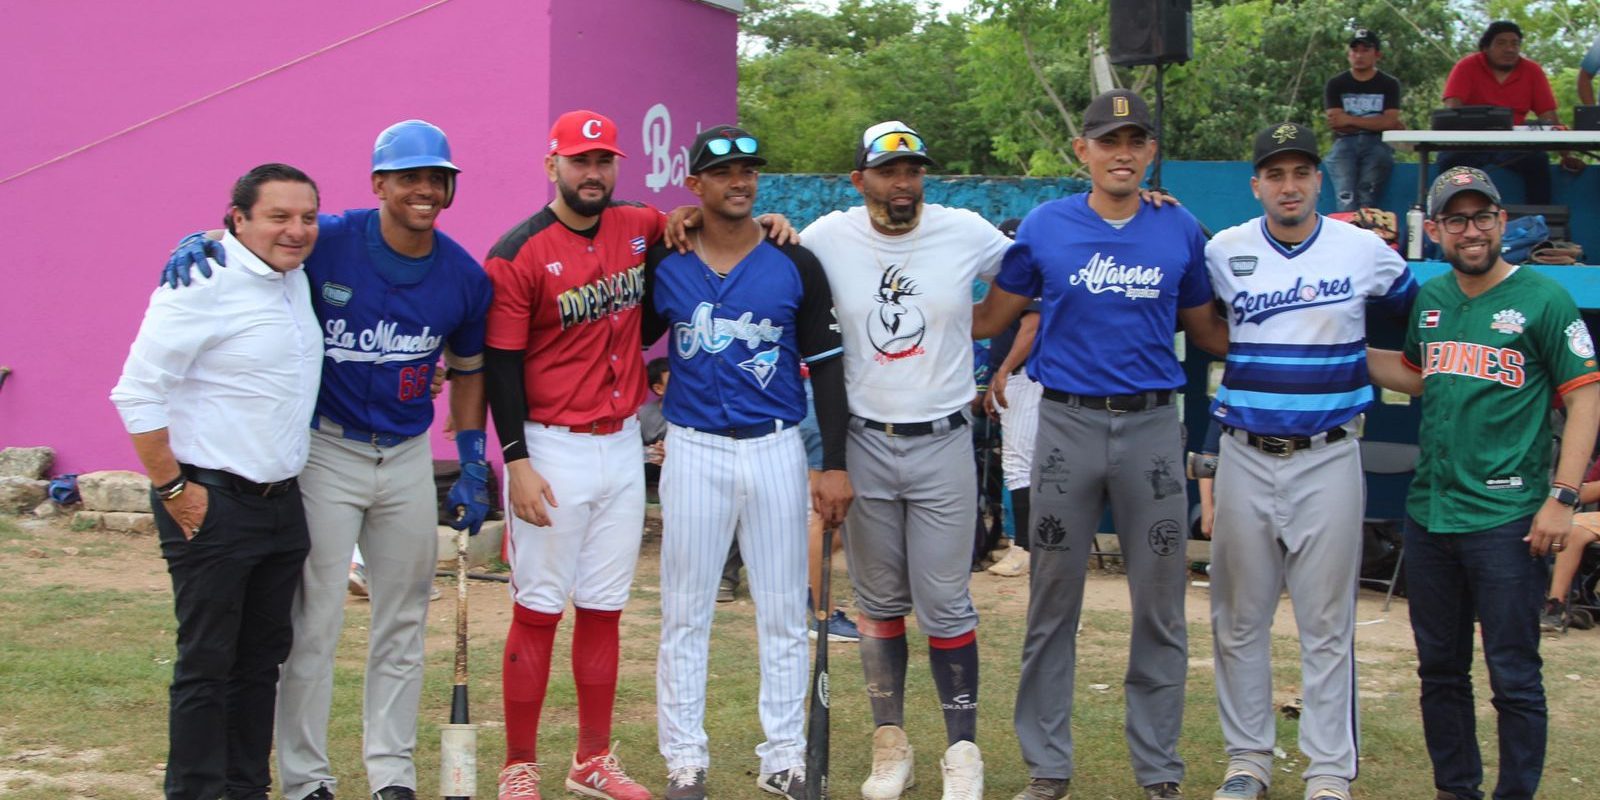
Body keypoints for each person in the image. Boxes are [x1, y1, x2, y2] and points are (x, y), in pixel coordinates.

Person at [158, 120, 494, 800]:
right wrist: (208, 241)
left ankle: (391, 774)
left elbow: (467, 369)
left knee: (403, 617)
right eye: (410, 178)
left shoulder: (462, 274)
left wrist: (471, 458)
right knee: (311, 621)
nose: (425, 189)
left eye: (438, 178)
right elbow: (265, 242)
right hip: (324, 449)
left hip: (404, 456)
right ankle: (308, 777)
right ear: (380, 185)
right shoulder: (331, 239)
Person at [481, 109, 794, 800]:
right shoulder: (518, 250)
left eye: (603, 160)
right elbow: (501, 365)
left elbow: (704, 222)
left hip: (623, 442)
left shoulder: (642, 224)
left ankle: (592, 758)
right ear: (552, 165)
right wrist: (515, 460)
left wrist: (769, 224)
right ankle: (518, 764)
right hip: (550, 445)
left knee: (603, 607)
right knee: (538, 607)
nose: (591, 173)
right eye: (579, 160)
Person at [972, 89, 1229, 800]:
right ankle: (1047, 767)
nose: (1123, 153)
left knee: (1160, 603)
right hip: (1067, 427)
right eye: (1108, 141)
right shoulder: (1047, 227)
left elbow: (1209, 332)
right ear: (1082, 151)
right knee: (1053, 600)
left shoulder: (1179, 229)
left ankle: (1159, 769)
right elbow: (991, 315)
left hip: (1151, 428)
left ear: (1149, 152)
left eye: (1135, 141)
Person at [1368, 166, 1600, 800]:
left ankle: (1514, 793)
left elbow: (1586, 397)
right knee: (1440, 672)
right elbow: (1419, 374)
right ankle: (1456, 789)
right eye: (1456, 220)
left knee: (1514, 676)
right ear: (1437, 230)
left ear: (1500, 223)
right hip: (1432, 513)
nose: (1470, 231)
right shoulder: (1433, 298)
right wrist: (1332, 345)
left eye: (1481, 217)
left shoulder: (1544, 299)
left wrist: (1563, 496)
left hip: (1507, 517)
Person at [800, 120, 1014, 800]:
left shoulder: (965, 230)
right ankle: (889, 744)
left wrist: (987, 323)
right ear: (860, 179)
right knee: (879, 601)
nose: (903, 184)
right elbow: (759, 253)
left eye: (914, 170)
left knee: (947, 603)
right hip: (864, 439)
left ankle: (962, 751)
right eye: (889, 172)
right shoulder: (827, 237)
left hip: (945, 437)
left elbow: (1034, 274)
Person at [1203, 122, 1417, 800]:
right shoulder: (1224, 250)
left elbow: (1418, 310)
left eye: (1301, 172)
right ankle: (1248, 761)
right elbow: (1199, 320)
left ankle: (1327, 771)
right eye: (1276, 173)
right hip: (1245, 451)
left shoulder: (1362, 249)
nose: (1289, 185)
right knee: (1239, 619)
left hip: (1329, 453)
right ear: (1257, 184)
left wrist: (1382, 364)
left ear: (1319, 180)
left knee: (1328, 621)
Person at [641, 124, 852, 800]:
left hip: (775, 447)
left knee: (786, 612)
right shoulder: (665, 260)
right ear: (694, 184)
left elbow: (828, 371)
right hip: (694, 447)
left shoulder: (795, 260)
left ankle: (784, 757)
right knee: (684, 612)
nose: (740, 182)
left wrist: (836, 463)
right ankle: (685, 760)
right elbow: (628, 339)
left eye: (749, 172)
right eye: (723, 173)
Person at [111, 163, 323, 800]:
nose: (296, 229)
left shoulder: (296, 275)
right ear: (238, 219)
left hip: (282, 503)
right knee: (206, 663)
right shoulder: (201, 280)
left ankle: (243, 788)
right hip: (212, 499)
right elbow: (138, 393)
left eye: (306, 217)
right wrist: (176, 490)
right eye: (278, 217)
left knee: (260, 663)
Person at [1438, 20, 1573, 204]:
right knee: (1449, 160)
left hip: (1515, 145)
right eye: (1501, 43)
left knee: (1538, 161)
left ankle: (1540, 224)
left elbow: (1549, 118)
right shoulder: (1466, 66)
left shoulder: (1532, 70)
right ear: (1486, 47)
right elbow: (1451, 110)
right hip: (1470, 143)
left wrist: (1567, 156)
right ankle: (1445, 219)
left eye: (1515, 44)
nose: (1510, 49)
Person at [981, 218, 1039, 579]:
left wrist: (1003, 372)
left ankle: (1026, 547)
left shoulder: (1029, 278)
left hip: (1028, 376)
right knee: (1025, 463)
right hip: (1021, 377)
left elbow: (1033, 327)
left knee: (1020, 464)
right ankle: (1029, 543)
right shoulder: (1011, 282)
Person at [1323, 28, 1403, 211]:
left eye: (1365, 50)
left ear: (1377, 55)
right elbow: (1336, 123)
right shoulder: (1336, 84)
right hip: (1344, 143)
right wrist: (1375, 123)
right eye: (1354, 50)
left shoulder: (1389, 84)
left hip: (1377, 145)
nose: (1359, 55)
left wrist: (1349, 120)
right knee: (1345, 197)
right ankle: (1346, 236)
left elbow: (1390, 122)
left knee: (1368, 196)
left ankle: (1367, 234)